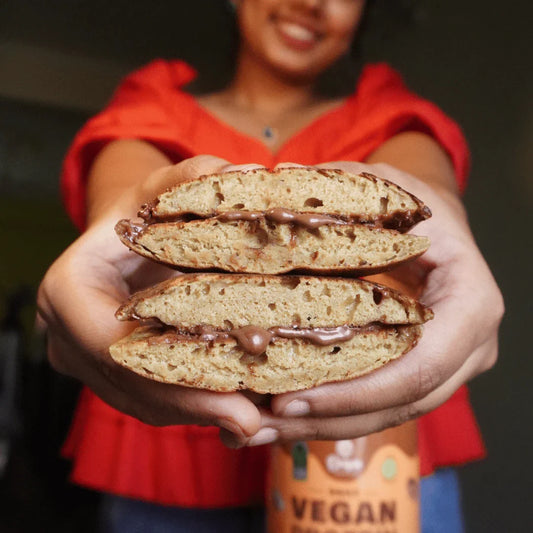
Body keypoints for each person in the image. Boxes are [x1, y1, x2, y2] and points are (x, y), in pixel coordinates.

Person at [37, 1, 504, 531]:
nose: (312, 4)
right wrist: (109, 239)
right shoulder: (151, 110)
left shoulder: (390, 114)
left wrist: (448, 214)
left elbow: (425, 186)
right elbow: (126, 201)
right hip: (171, 470)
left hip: (376, 466)